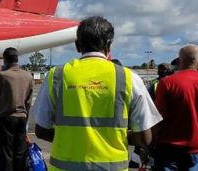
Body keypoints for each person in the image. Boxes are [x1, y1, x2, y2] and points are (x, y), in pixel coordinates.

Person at [34, 16, 162, 171]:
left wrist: (74, 139)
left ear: (77, 46)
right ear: (109, 45)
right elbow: (144, 137)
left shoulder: (56, 76)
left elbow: (41, 131)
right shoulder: (128, 77)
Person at [153, 44, 198, 170]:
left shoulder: (167, 83)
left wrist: (149, 144)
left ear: (179, 61)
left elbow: (158, 118)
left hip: (169, 150)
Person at [0, 47, 32, 171]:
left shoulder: (3, 75)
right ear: (17, 59)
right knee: (19, 151)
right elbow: (28, 101)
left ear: (6, 60)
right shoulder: (28, 76)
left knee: (6, 151)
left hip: (7, 117)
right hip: (22, 117)